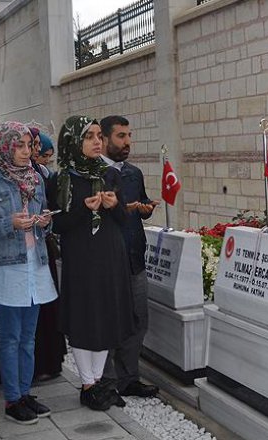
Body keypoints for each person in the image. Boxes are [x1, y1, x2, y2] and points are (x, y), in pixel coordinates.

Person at [47, 116, 135, 411]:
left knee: (108, 315)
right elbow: (57, 225)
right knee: (86, 319)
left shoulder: (109, 175)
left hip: (110, 255)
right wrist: (84, 211)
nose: (98, 141)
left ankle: (98, 383)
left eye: (99, 135)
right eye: (90, 137)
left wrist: (114, 206)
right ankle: (87, 384)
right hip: (82, 258)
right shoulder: (62, 179)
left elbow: (123, 219)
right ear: (74, 142)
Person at [0, 121, 56, 424]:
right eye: (20, 145)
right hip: (8, 266)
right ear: (5, 146)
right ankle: (12, 399)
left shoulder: (35, 177)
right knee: (10, 337)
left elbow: (46, 213)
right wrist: (10, 223)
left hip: (36, 261)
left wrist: (46, 221)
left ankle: (24, 392)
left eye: (29, 145)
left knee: (29, 337)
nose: (26, 152)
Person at [99, 115, 160, 399]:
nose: (127, 142)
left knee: (139, 319)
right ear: (105, 139)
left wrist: (146, 209)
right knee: (111, 321)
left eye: (129, 136)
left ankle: (129, 378)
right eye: (121, 136)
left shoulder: (134, 173)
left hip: (135, 256)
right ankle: (106, 382)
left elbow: (141, 205)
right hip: (109, 261)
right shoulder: (95, 174)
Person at [27, 128, 65, 382]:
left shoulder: (43, 176)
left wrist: (48, 219)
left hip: (43, 248)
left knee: (48, 308)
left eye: (38, 145)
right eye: (34, 145)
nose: (36, 151)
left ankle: (50, 362)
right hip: (21, 255)